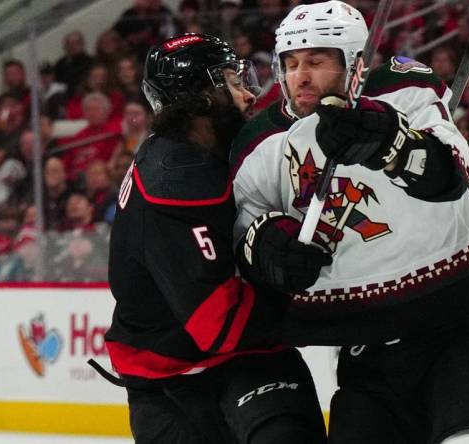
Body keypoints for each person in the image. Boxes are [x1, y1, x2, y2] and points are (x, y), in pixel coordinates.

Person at [230, 2, 469, 444]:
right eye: (290, 64)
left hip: (460, 323)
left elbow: (451, 173)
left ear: (353, 64)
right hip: (367, 349)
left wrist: (391, 141)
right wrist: (269, 246)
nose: (300, 77)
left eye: (316, 62)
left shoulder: (404, 90)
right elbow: (244, 227)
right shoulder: (262, 142)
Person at [101, 34, 328, 444]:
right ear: (203, 98)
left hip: (250, 359)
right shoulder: (176, 183)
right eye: (232, 81)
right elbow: (219, 324)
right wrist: (332, 309)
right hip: (172, 380)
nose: (247, 93)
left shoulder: (202, 147)